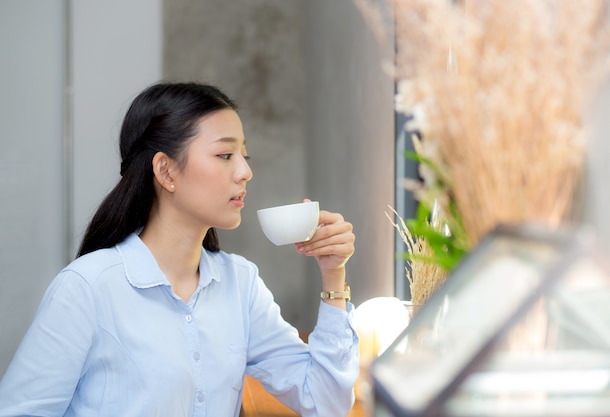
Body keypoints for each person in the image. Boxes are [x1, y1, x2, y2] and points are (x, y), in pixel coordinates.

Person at [0, 82, 359, 417]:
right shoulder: (88, 288)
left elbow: (325, 400)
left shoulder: (240, 284)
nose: (245, 171)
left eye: (244, 156)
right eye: (225, 155)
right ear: (166, 171)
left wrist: (333, 274)